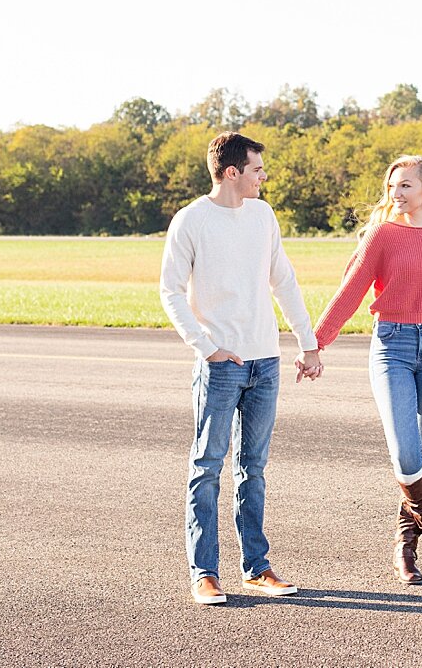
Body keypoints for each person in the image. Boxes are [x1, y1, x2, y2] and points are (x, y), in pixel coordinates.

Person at [160, 131, 324, 605]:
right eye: (256, 169)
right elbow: (170, 291)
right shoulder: (190, 221)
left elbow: (284, 281)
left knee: (253, 469)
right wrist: (206, 347)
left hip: (264, 362)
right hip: (221, 366)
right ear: (232, 172)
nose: (263, 177)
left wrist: (307, 343)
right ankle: (204, 573)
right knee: (207, 467)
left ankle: (256, 568)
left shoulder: (262, 215)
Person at [311, 154, 422, 584]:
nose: (395, 193)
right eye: (392, 186)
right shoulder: (381, 235)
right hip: (392, 347)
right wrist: (316, 343)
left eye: (404, 186)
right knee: (405, 453)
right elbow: (350, 292)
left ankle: (406, 543)